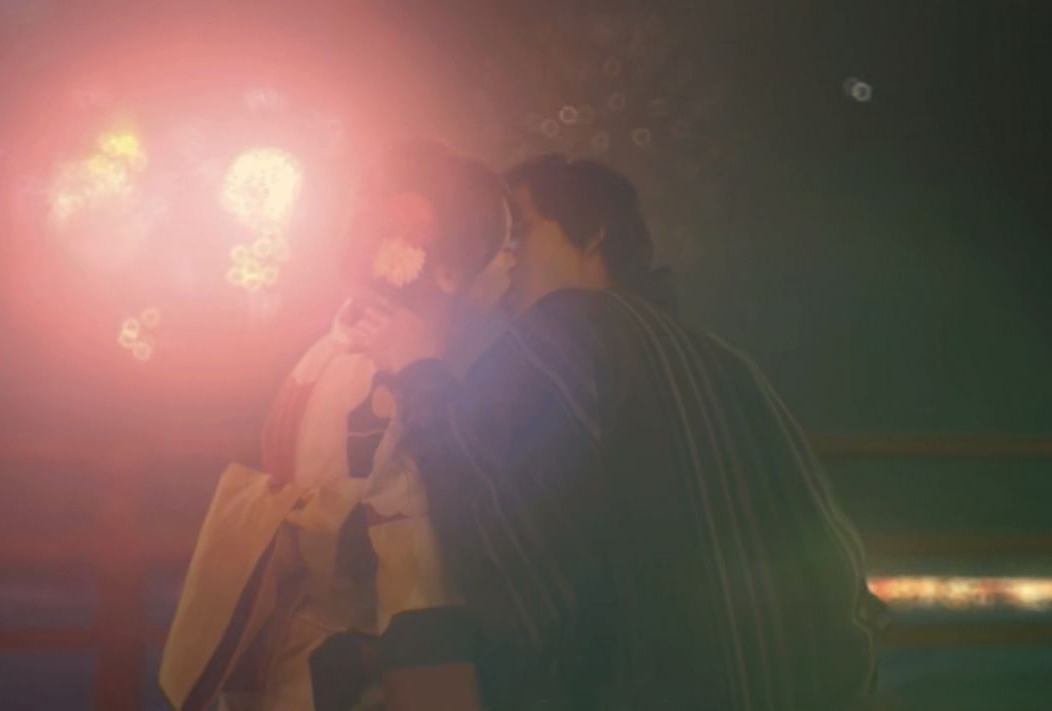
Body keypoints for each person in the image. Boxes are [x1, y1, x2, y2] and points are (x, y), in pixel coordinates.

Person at [359, 154, 884, 710]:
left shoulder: (568, 330)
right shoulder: (729, 363)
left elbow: (492, 527)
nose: (504, 258)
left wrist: (418, 368)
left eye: (520, 231)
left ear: (594, 236)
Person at [159, 140, 515, 711]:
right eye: (498, 244)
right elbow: (412, 563)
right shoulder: (377, 373)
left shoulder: (342, 354)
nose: (511, 263)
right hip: (347, 664)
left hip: (311, 654)